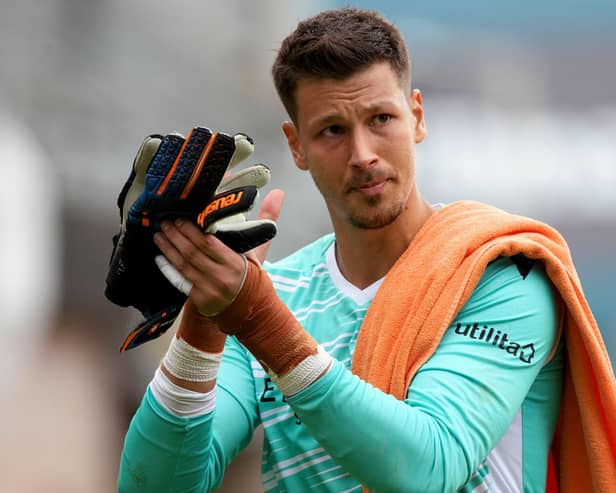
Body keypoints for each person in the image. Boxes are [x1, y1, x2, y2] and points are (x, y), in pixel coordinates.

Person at [118, 8, 616, 493]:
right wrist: (206, 317)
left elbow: (429, 469)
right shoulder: (274, 293)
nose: (363, 155)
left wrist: (257, 320)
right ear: (296, 146)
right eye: (332, 130)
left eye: (381, 118)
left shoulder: (504, 272)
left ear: (416, 117)